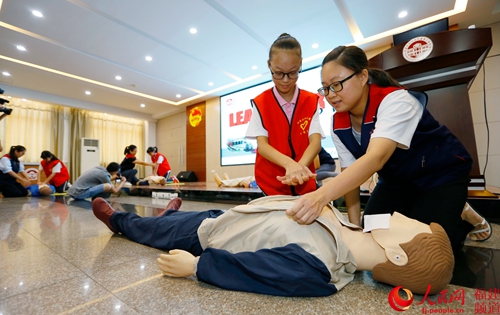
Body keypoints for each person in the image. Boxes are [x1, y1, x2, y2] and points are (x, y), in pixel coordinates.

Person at [286, 45, 480, 255]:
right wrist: (355, 229)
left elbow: (375, 158)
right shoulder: (338, 123)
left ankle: (461, 216)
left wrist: (319, 197)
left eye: (337, 84)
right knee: (372, 234)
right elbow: (350, 177)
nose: (331, 95)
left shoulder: (395, 100)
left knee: (426, 249)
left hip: (439, 176)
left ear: (362, 77)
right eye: (325, 88)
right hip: (397, 181)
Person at [92, 195, 454, 297]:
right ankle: (169, 213)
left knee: (151, 230)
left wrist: (197, 267)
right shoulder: (350, 227)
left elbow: (255, 272)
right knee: (168, 222)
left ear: (396, 254)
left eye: (412, 226)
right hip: (237, 216)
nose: (405, 216)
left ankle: (119, 221)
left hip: (208, 236)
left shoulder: (319, 268)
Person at [245, 33, 324, 196]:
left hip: (304, 182)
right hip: (272, 184)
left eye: (293, 72)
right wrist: (289, 164)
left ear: (300, 64)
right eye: (278, 73)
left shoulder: (311, 100)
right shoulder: (261, 103)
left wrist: (299, 168)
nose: (286, 80)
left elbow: (315, 143)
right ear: (269, 66)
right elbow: (263, 146)